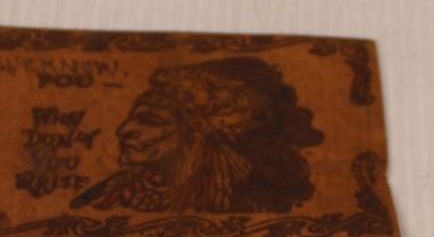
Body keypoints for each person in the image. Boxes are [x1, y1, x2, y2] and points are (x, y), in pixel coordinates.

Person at [73, 56, 323, 215]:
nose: (122, 130)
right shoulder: (108, 193)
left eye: (150, 121)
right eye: (131, 118)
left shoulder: (246, 198)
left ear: (195, 134)